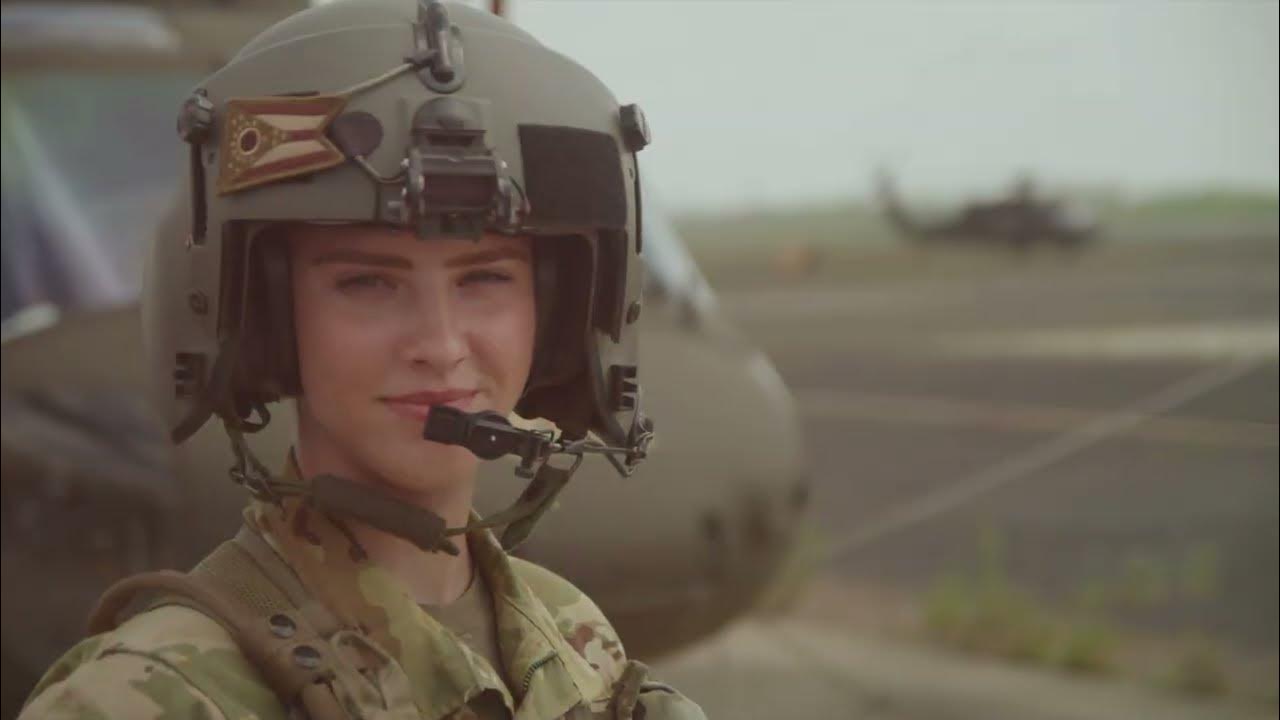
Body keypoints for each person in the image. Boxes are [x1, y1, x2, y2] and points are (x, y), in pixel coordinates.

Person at [19, 1, 702, 718]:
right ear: (266, 321)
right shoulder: (150, 698)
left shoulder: (578, 646)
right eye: (368, 283)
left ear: (553, 312)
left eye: (484, 279)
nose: (440, 345)